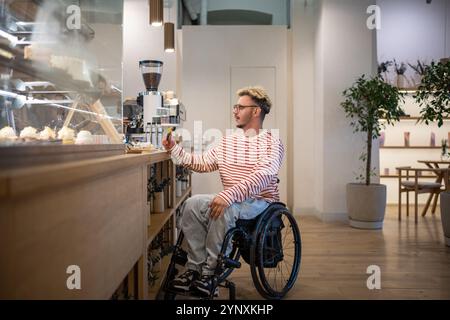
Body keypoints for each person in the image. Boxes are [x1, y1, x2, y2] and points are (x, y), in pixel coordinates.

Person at [162, 86, 284, 296]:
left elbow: (263, 176)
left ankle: (210, 274)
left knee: (226, 207)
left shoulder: (272, 142)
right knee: (192, 204)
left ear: (256, 111)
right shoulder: (228, 142)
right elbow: (201, 163)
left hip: (260, 201)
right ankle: (194, 269)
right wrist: (174, 148)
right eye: (235, 107)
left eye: (240, 107)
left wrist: (228, 195)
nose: (235, 111)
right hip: (235, 199)